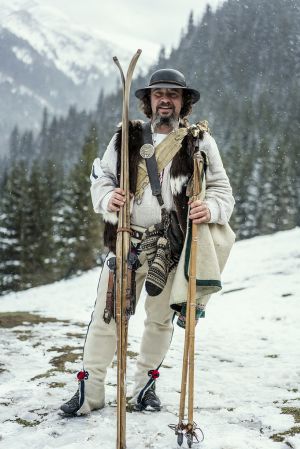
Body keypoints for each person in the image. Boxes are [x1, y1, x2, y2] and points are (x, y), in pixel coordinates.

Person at [60, 68, 235, 416]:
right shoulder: (124, 137)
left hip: (171, 247)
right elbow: (102, 178)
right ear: (148, 101)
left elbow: (223, 192)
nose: (165, 100)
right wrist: (108, 196)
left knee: (159, 321)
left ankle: (143, 388)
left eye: (173, 94)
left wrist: (209, 207)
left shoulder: (199, 142)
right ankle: (90, 391)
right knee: (107, 317)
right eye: (159, 94)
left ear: (183, 101)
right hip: (127, 241)